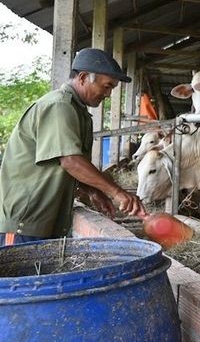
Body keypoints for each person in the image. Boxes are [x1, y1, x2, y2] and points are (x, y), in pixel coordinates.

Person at [0, 48, 147, 245]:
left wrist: (94, 191)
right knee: (19, 275)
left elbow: (64, 164)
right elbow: (70, 161)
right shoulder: (59, 106)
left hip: (44, 219)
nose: (109, 94)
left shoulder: (78, 111)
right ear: (84, 77)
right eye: (106, 86)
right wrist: (117, 193)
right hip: (24, 221)